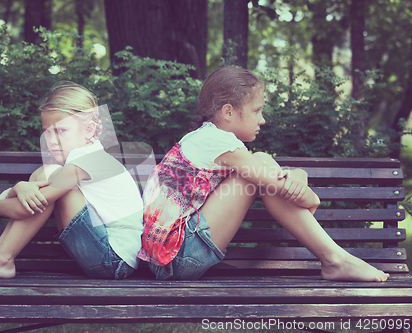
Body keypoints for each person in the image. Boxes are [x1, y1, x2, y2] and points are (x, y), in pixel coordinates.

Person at [138, 66, 389, 282]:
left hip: (169, 258)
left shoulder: (204, 139)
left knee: (262, 162)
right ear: (228, 112)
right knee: (261, 163)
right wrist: (310, 194)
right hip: (178, 256)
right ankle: (335, 259)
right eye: (257, 110)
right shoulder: (216, 141)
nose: (263, 120)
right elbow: (287, 191)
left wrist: (298, 174)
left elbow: (271, 176)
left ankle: (336, 260)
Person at [0, 81, 143, 279]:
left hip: (113, 260)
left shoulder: (88, 160)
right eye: (47, 131)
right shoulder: (85, 157)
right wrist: (20, 188)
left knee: (49, 174)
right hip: (107, 256)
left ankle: (1, 259)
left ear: (88, 130)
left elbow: (24, 208)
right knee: (46, 173)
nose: (52, 140)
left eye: (61, 130)